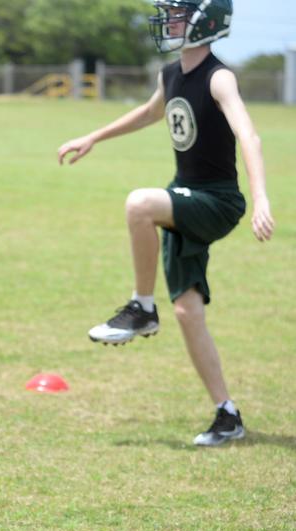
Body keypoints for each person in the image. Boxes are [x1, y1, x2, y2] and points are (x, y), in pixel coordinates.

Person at [57, 0, 274, 447]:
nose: (168, 20)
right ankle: (226, 414)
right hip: (186, 194)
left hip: (216, 201)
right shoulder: (170, 73)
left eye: (177, 12)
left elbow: (248, 134)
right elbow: (150, 113)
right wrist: (94, 137)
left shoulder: (219, 76)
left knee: (140, 203)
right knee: (187, 310)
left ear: (205, 21)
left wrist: (261, 199)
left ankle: (141, 307)